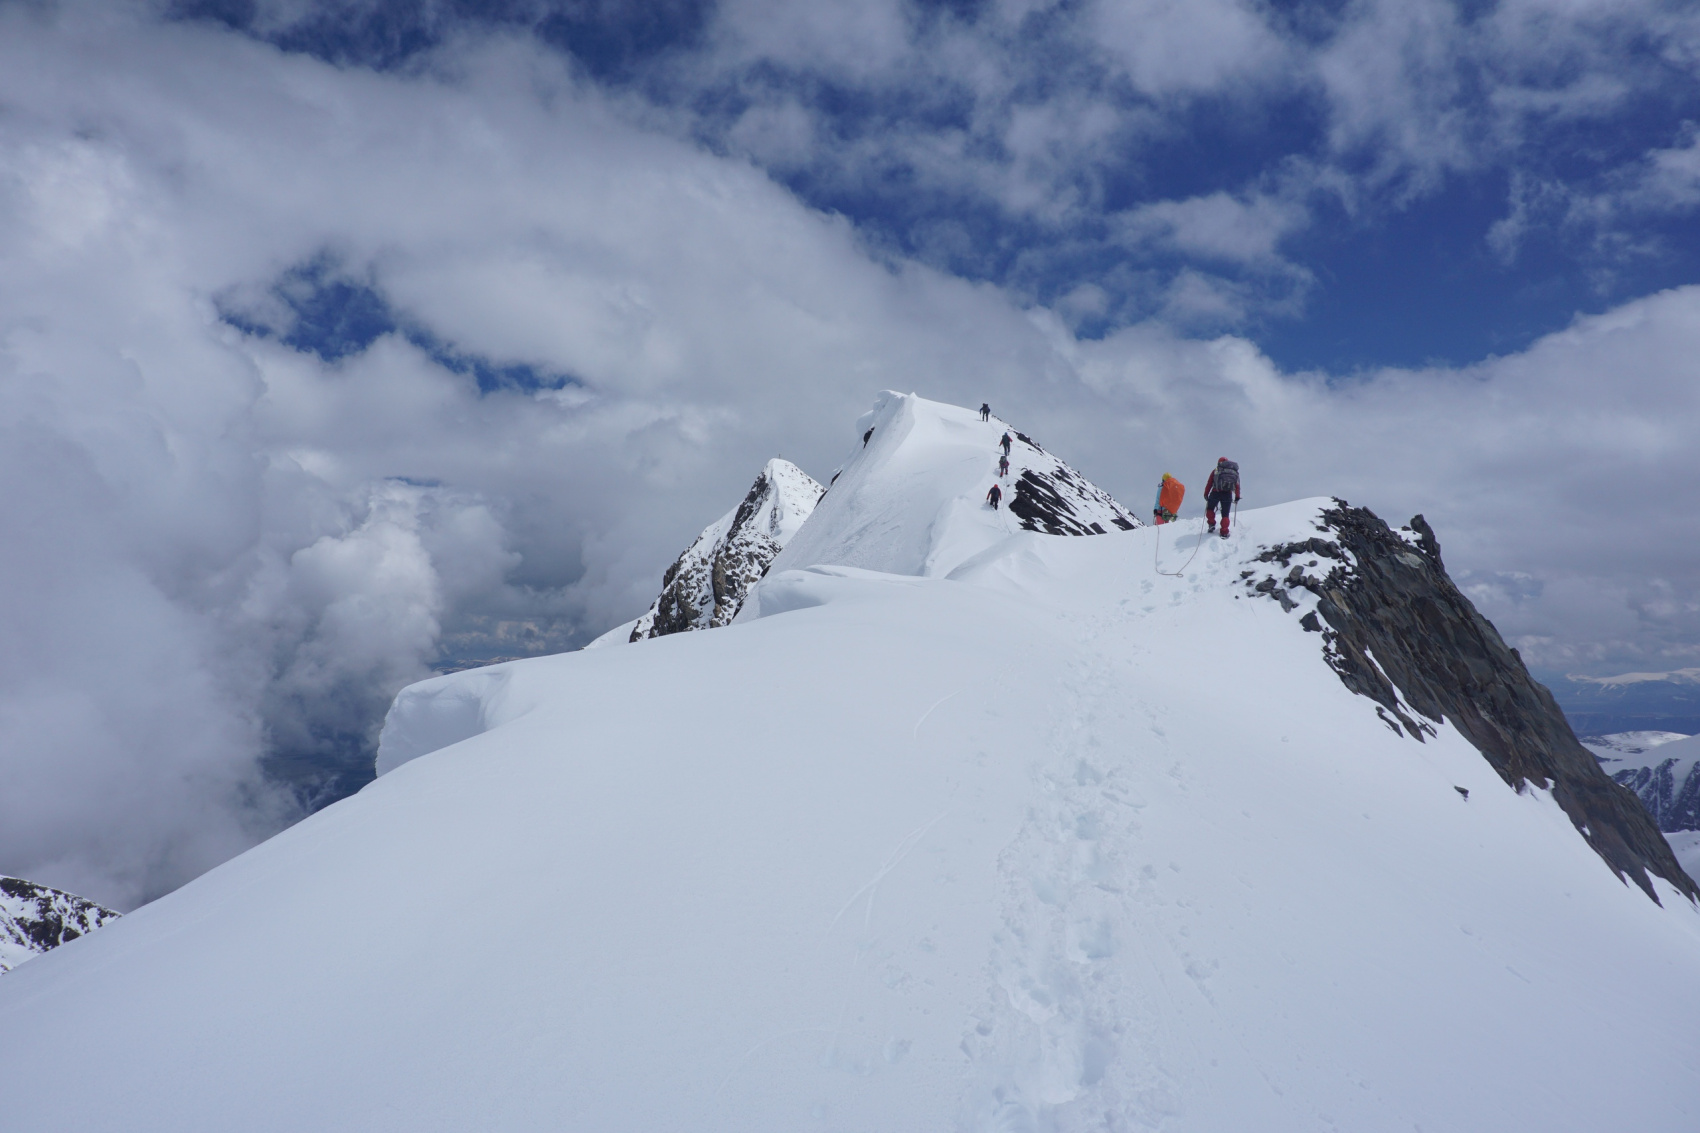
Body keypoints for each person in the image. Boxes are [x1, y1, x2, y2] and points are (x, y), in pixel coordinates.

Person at [1204, 457, 1240, 537]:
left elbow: (1209, 483)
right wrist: (1237, 496)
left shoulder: (1216, 471)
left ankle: (1211, 523)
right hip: (1227, 494)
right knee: (1225, 514)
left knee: (1210, 509)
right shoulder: (1234, 472)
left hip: (1215, 493)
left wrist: (1206, 494)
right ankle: (1224, 532)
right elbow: (1237, 485)